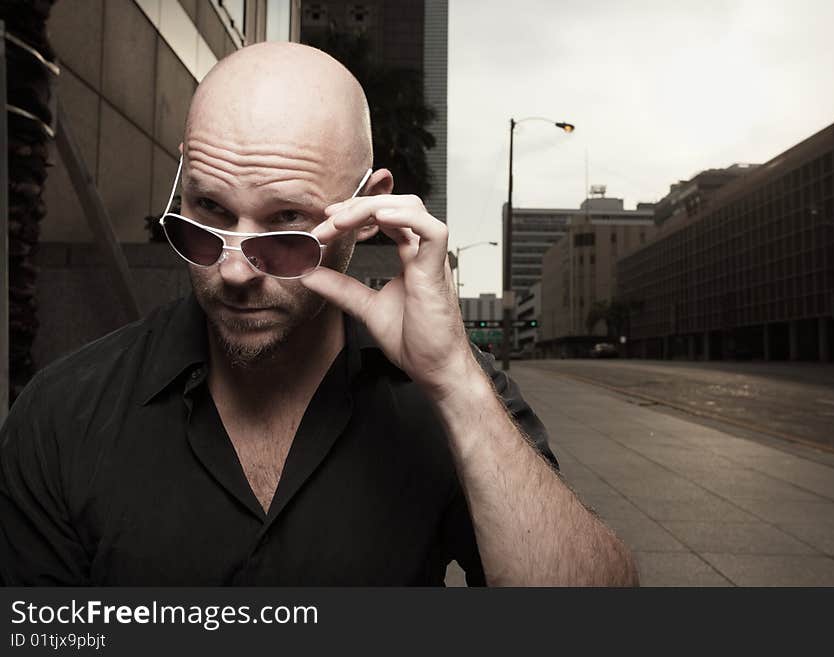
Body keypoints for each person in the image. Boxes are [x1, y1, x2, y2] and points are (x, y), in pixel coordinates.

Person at [0, 43, 637, 586]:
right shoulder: (64, 414)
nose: (234, 270)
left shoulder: (447, 395)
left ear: (369, 212)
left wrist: (453, 381)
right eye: (209, 215)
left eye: (287, 228)